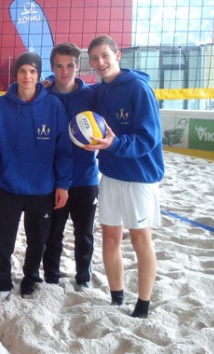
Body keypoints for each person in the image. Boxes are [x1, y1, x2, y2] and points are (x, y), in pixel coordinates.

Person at [84, 35, 164, 318]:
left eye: (105, 55)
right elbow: (78, 90)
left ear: (117, 55)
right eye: (94, 58)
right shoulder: (101, 91)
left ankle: (143, 303)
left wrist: (115, 144)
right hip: (110, 175)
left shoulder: (139, 89)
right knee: (110, 238)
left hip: (140, 177)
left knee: (141, 239)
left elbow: (150, 138)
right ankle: (116, 296)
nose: (100, 62)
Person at [0, 52, 72, 299]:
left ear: (39, 74)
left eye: (32, 71)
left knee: (37, 241)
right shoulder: (0, 106)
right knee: (3, 240)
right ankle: (3, 281)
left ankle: (31, 278)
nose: (27, 76)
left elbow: (63, 149)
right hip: (6, 184)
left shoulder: (53, 106)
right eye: (23, 71)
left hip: (41, 187)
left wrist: (63, 184)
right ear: (16, 74)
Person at [41, 43, 98, 289]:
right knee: (53, 235)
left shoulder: (92, 96)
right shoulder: (44, 95)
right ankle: (51, 278)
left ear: (78, 66)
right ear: (52, 68)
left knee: (84, 235)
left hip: (85, 179)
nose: (65, 72)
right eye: (59, 67)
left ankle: (83, 279)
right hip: (53, 180)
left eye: (70, 66)